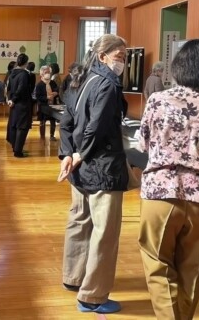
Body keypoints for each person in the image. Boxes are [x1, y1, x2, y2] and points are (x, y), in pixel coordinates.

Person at [137, 39, 199, 320]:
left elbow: (144, 143)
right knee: (194, 271)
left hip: (160, 192)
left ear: (179, 66)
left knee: (157, 263)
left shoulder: (158, 100)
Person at [57, 34, 129, 314]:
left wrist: (68, 154)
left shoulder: (78, 80)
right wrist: (79, 154)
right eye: (119, 56)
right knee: (105, 233)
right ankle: (93, 296)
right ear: (102, 56)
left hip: (79, 169)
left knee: (79, 221)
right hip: (102, 168)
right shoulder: (108, 84)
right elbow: (96, 128)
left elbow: (66, 123)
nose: (123, 62)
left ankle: (74, 278)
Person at [5, 53, 32, 158]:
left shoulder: (12, 73)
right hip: (22, 103)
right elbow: (21, 89)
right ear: (26, 63)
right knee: (22, 127)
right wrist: (14, 99)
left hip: (14, 104)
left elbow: (8, 88)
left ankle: (14, 147)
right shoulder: (24, 74)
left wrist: (10, 99)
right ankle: (18, 151)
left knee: (14, 125)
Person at [35, 65, 59, 140]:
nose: (48, 74)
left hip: (52, 105)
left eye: (49, 72)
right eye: (46, 72)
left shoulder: (53, 82)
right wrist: (46, 98)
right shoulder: (39, 85)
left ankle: (52, 135)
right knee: (42, 121)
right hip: (43, 106)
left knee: (53, 121)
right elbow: (38, 96)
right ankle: (42, 136)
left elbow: (57, 90)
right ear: (42, 74)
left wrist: (55, 93)